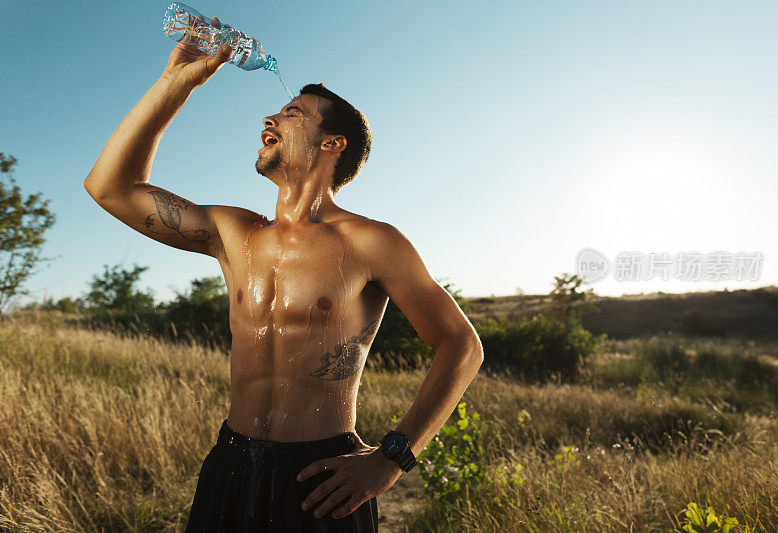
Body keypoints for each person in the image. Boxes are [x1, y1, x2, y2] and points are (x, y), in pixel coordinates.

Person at [84, 15, 484, 533]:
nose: (270, 118)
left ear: (331, 144)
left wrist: (390, 459)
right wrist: (176, 82)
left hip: (323, 477)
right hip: (231, 461)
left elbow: (461, 346)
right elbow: (109, 187)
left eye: (292, 113)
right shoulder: (233, 232)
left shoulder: (371, 242)